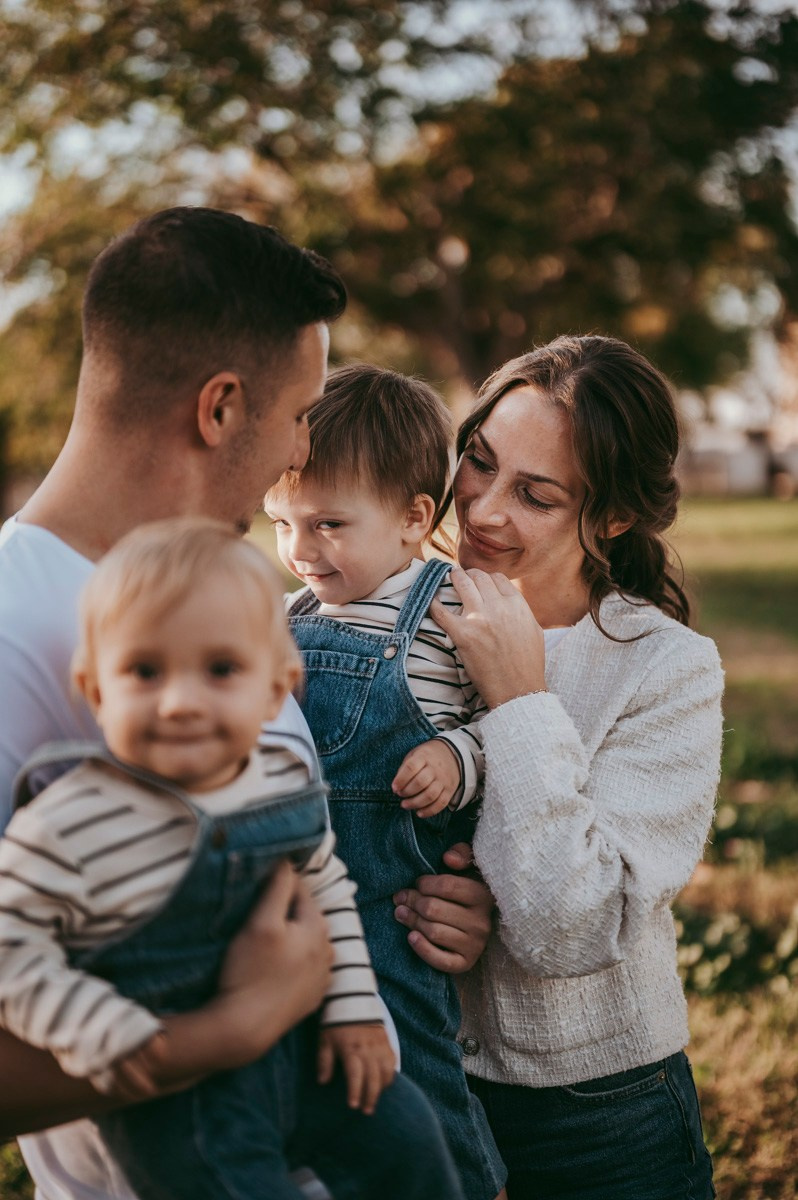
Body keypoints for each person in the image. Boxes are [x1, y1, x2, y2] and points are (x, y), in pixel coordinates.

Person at [0, 207, 491, 1200]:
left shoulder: (239, 593)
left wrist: (436, 912)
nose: (304, 443)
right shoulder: (13, 628)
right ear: (221, 408)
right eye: (301, 412)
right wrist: (237, 1028)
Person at [0, 517, 433, 1200]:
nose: (179, 703)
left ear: (275, 688)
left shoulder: (279, 783)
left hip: (305, 1055)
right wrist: (98, 1028)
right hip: (178, 1102)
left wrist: (351, 1008)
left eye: (221, 669)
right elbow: (11, 949)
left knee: (414, 1146)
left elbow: (325, 884)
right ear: (92, 687)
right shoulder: (69, 822)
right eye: (144, 671)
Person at [394, 334, 723, 1199]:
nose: (483, 510)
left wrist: (518, 700)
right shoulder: (383, 614)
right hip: (410, 1086)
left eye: (535, 495)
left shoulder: (666, 668)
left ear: (611, 517)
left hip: (597, 1117)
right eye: (479, 463)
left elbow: (570, 926)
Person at [265, 364, 507, 1200]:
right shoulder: (290, 616)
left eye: (329, 523)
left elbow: (511, 720)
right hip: (301, 897)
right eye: (283, 523)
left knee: (415, 1064)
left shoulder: (448, 610)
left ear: (414, 520)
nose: (301, 550)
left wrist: (461, 757)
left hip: (396, 905)